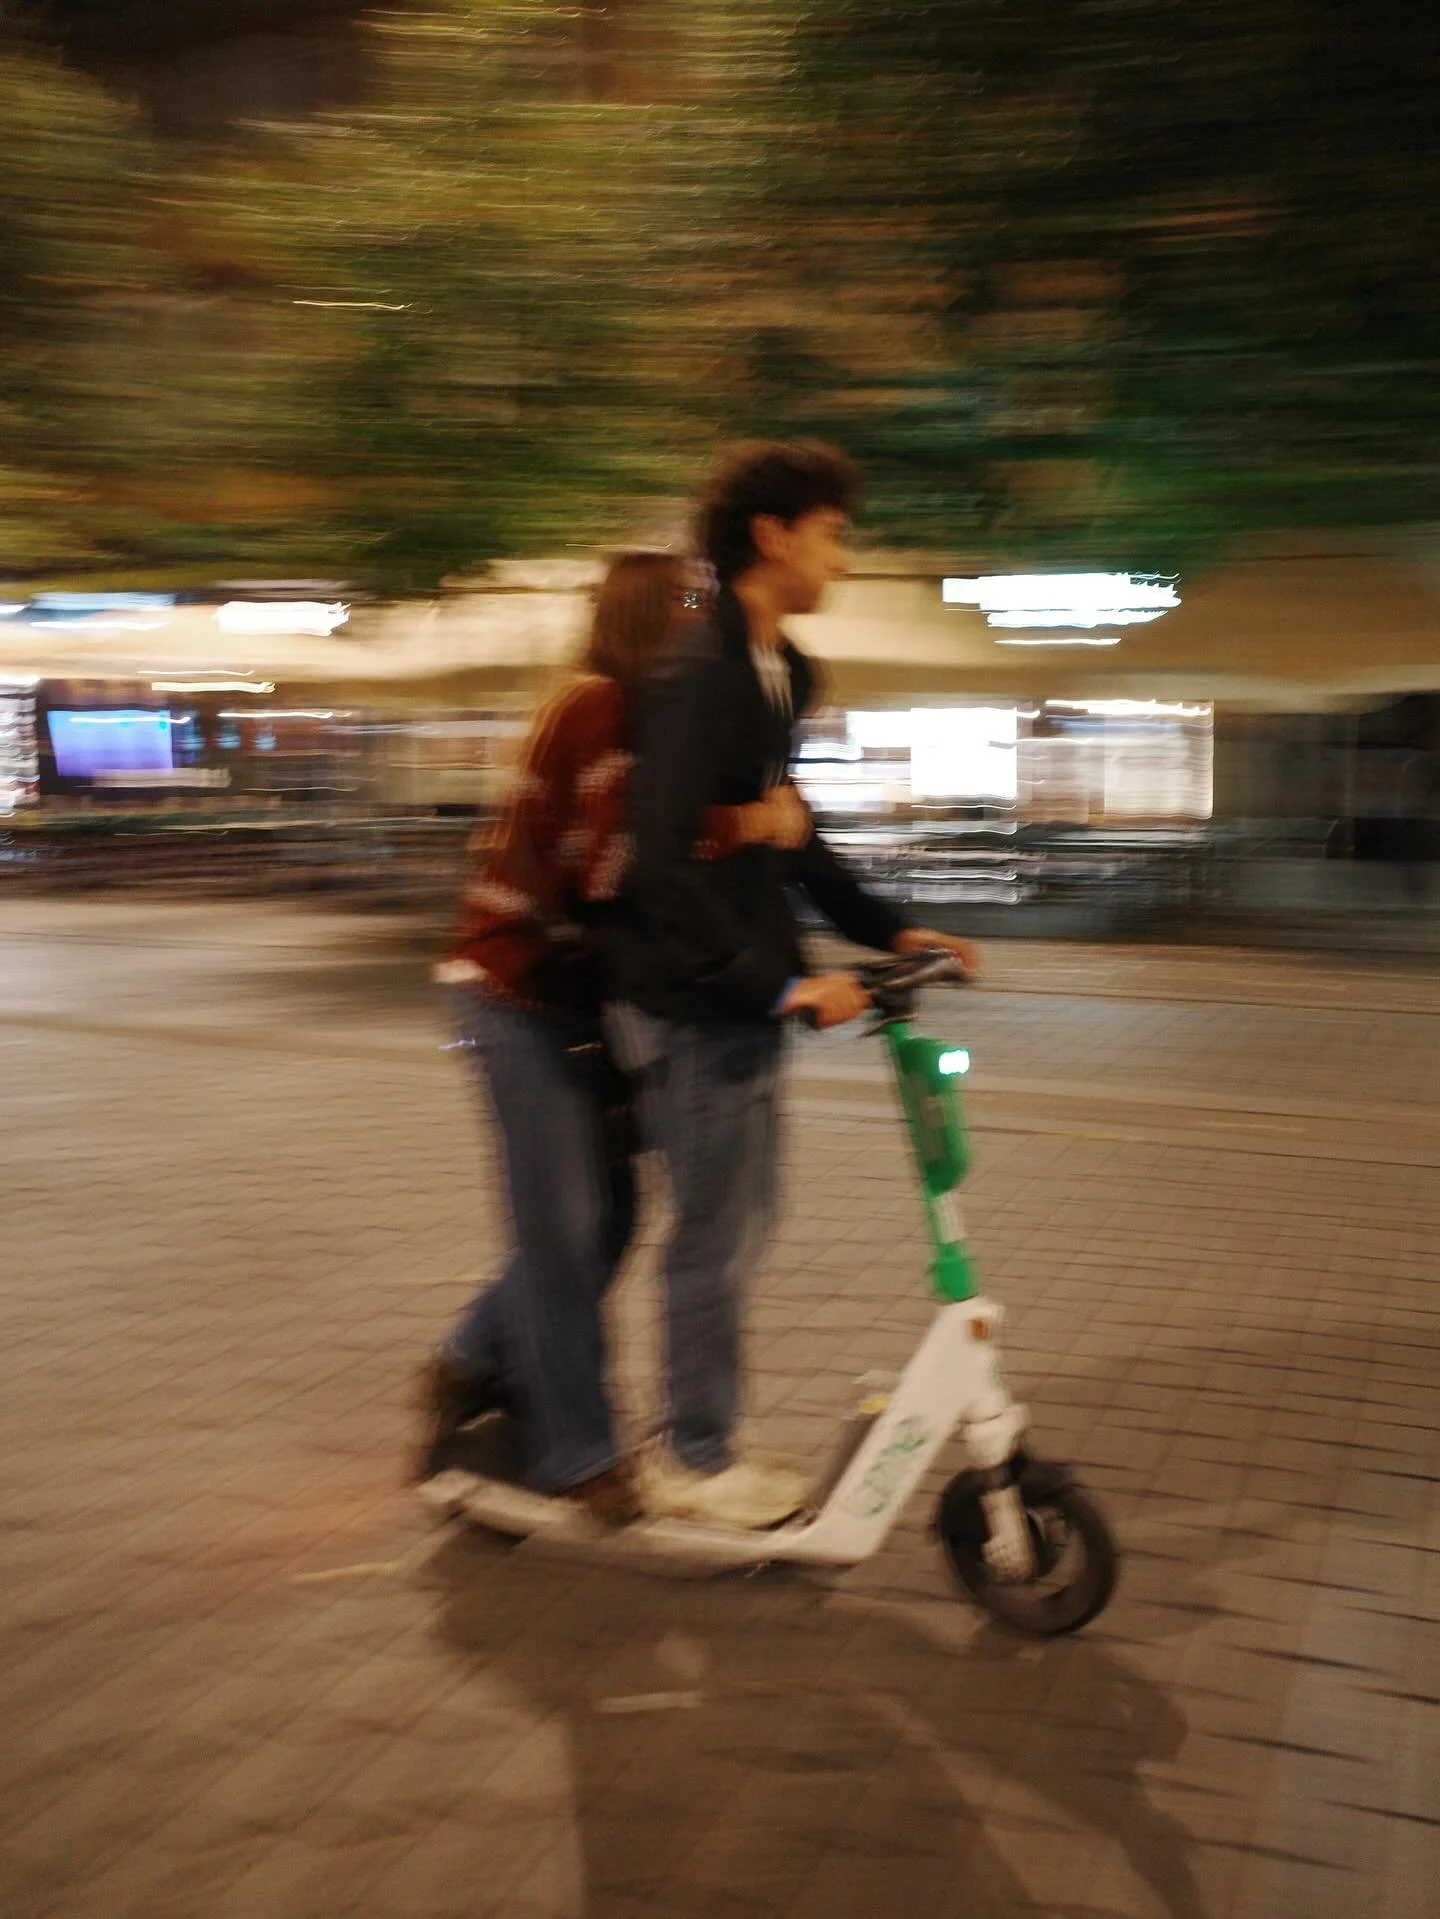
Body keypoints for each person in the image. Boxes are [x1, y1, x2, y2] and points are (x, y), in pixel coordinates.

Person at [615, 442, 981, 1530]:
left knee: (741, 1224)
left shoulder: (784, 673)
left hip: (740, 994)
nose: (846, 558)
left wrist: (892, 924)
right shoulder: (697, 673)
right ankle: (692, 1453)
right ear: (772, 535)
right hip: (688, 999)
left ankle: (703, 1433)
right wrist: (774, 989)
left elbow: (793, 837)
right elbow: (659, 860)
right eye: (835, 532)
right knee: (713, 1232)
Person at [417, 549, 807, 1524]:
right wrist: (750, 821)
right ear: (651, 616)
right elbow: (615, 867)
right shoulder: (598, 705)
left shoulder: (640, 716)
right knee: (562, 1229)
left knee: (614, 1215)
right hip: (511, 996)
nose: (704, 625)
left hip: (575, 1004)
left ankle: (468, 1357)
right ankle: (575, 1452)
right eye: (690, 607)